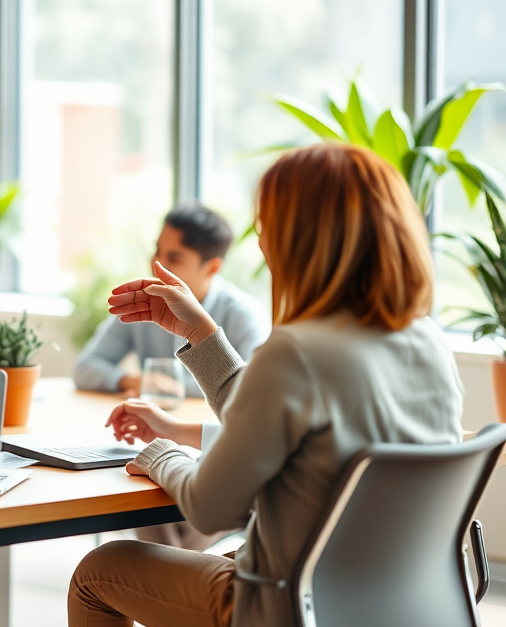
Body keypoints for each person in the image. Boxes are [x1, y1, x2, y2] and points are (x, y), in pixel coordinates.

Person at [69, 143, 463, 627]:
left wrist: (162, 454)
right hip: (389, 600)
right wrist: (202, 335)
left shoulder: (297, 351)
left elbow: (210, 508)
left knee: (97, 572)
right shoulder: (428, 341)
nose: (261, 243)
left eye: (268, 228)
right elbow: (284, 429)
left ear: (302, 240)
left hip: (284, 605)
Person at [74, 204, 269, 399]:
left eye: (174, 258)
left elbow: (256, 388)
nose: (157, 264)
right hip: (150, 424)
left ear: (212, 268)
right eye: (157, 251)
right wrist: (134, 381)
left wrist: (166, 385)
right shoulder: (145, 301)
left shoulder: (245, 314)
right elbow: (84, 366)